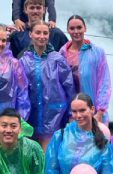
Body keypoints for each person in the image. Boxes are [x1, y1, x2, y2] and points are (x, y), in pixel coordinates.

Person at [19, 20, 74, 151]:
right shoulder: (24, 61)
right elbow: (20, 92)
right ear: (30, 34)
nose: (42, 36)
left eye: (45, 33)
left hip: (54, 115)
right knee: (32, 156)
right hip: (30, 116)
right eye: (38, 32)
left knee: (48, 154)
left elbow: (69, 87)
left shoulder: (57, 59)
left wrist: (71, 113)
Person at [59, 15, 111, 123]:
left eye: (79, 27)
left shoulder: (97, 53)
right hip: (71, 114)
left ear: (85, 28)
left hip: (94, 112)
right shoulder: (62, 54)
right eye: (72, 28)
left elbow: (104, 83)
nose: (76, 31)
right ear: (67, 30)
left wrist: (100, 112)